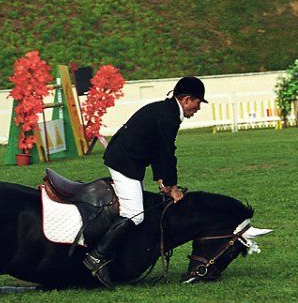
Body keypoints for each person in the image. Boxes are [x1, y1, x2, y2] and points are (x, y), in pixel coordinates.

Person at [83, 77, 207, 289]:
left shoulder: (167, 111)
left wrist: (163, 181)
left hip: (129, 159)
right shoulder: (169, 116)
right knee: (135, 214)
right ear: (187, 99)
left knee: (134, 211)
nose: (198, 108)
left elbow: (159, 150)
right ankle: (97, 257)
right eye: (198, 103)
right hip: (124, 161)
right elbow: (167, 152)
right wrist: (173, 187)